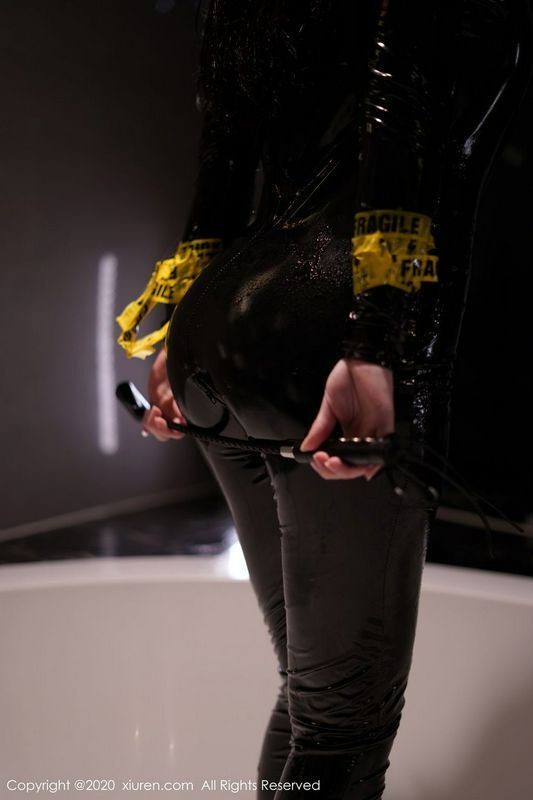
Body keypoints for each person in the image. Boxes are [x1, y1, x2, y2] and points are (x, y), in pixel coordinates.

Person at [120, 1, 532, 797]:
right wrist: (374, 343)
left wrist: (180, 330)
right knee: (342, 723)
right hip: (328, 325)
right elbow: (395, 108)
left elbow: (225, 153)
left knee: (317, 702)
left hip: (226, 327)